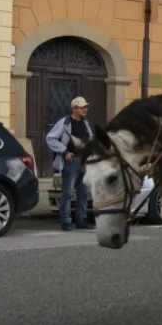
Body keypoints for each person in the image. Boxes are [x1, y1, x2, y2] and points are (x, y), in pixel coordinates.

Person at [46, 97, 95, 231]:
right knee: (67, 192)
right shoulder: (65, 122)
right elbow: (50, 138)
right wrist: (64, 151)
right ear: (74, 109)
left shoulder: (85, 122)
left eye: (85, 107)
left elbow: (90, 139)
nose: (85, 110)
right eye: (82, 107)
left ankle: (81, 220)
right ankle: (66, 221)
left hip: (84, 161)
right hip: (71, 161)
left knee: (83, 193)